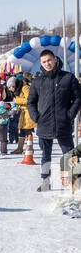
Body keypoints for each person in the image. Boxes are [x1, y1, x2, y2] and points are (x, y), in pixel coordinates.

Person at [26, 47, 81, 190]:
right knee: (45, 155)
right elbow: (30, 102)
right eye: (44, 62)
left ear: (55, 59)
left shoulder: (68, 78)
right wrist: (36, 117)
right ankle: (45, 182)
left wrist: (70, 115)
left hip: (63, 123)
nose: (47, 63)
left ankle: (75, 183)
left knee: (69, 154)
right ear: (41, 63)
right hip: (44, 124)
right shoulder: (37, 81)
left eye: (49, 60)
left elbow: (78, 98)